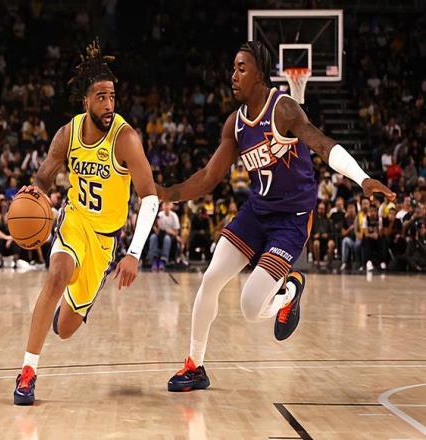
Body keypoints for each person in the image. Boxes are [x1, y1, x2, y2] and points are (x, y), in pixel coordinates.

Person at [157, 41, 395, 392]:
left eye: (241, 68)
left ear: (259, 75)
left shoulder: (283, 109)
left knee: (251, 307)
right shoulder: (235, 124)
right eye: (233, 68)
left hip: (291, 219)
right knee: (211, 279)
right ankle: (195, 366)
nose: (233, 75)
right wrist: (164, 193)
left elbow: (322, 144)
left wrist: (362, 178)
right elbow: (207, 178)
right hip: (256, 212)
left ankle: (290, 291)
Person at [13, 40, 159, 405]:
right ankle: (27, 372)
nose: (109, 105)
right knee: (57, 275)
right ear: (85, 101)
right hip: (75, 220)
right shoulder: (69, 133)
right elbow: (45, 175)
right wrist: (35, 193)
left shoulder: (126, 139)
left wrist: (134, 253)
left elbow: (150, 197)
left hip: (105, 241)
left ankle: (66, 308)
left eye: (112, 97)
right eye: (101, 97)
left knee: (64, 329)